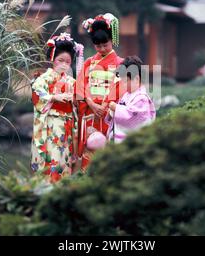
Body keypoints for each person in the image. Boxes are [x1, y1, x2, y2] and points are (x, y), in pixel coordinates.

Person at [76, 13, 124, 170]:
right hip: (91, 113)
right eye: (98, 46)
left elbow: (122, 88)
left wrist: (106, 105)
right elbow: (80, 85)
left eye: (105, 44)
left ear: (112, 41)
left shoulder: (121, 64)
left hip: (109, 114)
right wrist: (90, 102)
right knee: (90, 151)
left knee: (108, 153)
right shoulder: (89, 63)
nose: (102, 49)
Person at [31, 32, 79, 183]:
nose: (64, 65)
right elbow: (37, 93)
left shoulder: (71, 81)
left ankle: (62, 190)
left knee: (65, 160)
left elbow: (79, 100)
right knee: (53, 159)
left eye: (67, 62)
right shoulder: (43, 79)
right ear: (53, 59)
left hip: (67, 125)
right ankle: (48, 188)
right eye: (60, 60)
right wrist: (53, 97)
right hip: (51, 123)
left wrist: (75, 100)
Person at [106, 56, 156, 143]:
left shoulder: (142, 97)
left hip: (135, 141)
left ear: (136, 79)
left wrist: (116, 108)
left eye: (125, 81)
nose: (124, 84)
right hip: (122, 139)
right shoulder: (127, 95)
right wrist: (111, 112)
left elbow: (132, 115)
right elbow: (120, 111)